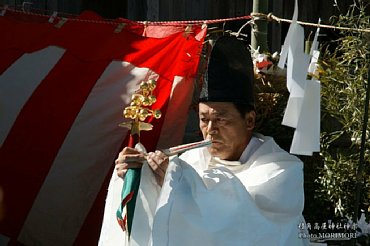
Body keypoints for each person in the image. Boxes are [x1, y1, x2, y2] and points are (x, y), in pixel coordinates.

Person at [114, 36, 308, 246]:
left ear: (249, 120)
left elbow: (241, 225)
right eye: (204, 119)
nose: (210, 130)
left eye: (221, 119)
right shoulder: (188, 162)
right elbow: (166, 216)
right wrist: (140, 177)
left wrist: (176, 182)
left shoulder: (281, 170)